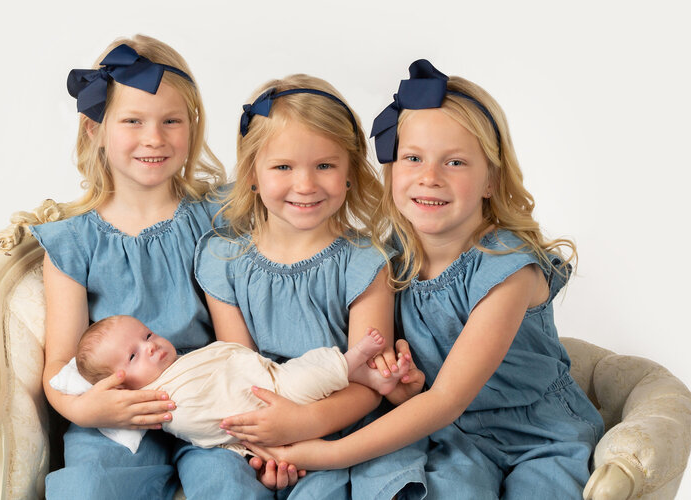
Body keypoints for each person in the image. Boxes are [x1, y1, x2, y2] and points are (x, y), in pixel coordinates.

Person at [241, 60, 605, 500]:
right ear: (392, 169)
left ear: (491, 179)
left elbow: (448, 397)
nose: (429, 178)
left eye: (454, 162)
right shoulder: (387, 256)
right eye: (413, 158)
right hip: (451, 435)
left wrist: (325, 455)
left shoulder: (509, 268)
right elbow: (427, 399)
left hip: (537, 435)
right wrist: (406, 389)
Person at [193, 74, 427, 498]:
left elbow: (367, 384)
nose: (305, 185)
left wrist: (304, 428)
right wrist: (265, 451)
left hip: (338, 425)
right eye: (283, 167)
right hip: (260, 422)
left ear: (350, 172)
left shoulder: (365, 263)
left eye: (324, 165)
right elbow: (241, 372)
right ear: (252, 174)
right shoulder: (222, 260)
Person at [29, 35, 227, 500]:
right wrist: (87, 412)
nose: (154, 138)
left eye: (171, 121)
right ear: (95, 129)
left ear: (192, 126)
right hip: (119, 414)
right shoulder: (73, 244)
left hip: (209, 396)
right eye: (132, 121)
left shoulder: (217, 216)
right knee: (88, 486)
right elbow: (59, 366)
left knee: (227, 483)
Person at [61, 315, 408, 453]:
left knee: (305, 369)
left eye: (147, 335)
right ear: (122, 389)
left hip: (270, 377)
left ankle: (362, 373)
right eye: (134, 357)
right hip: (267, 403)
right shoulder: (163, 403)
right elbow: (209, 422)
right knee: (304, 380)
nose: (150, 346)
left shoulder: (183, 361)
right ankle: (355, 360)